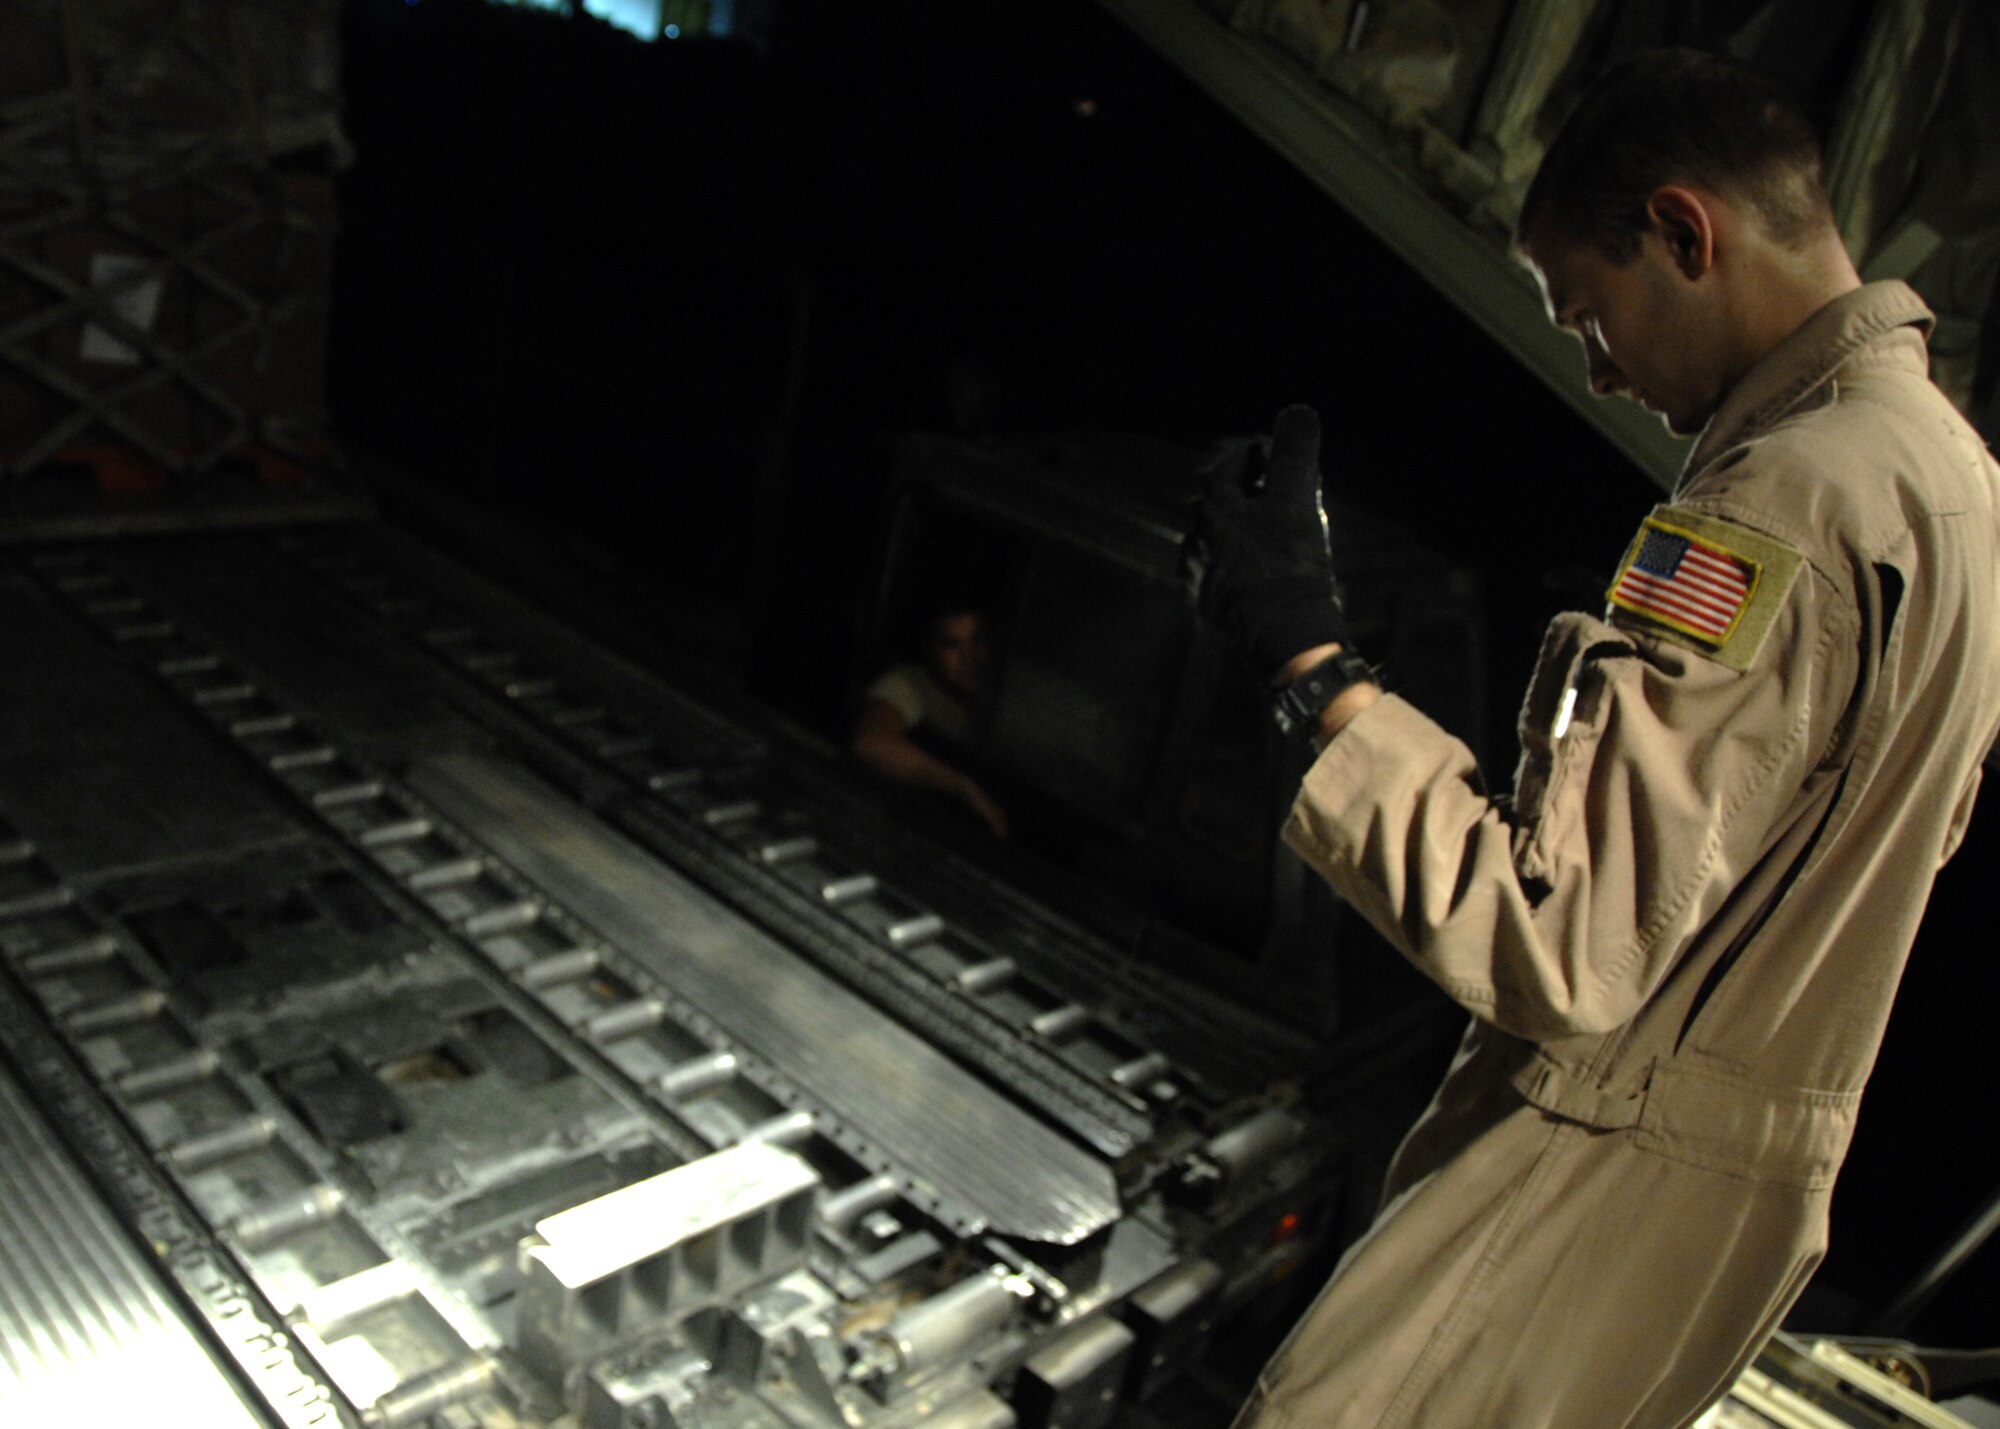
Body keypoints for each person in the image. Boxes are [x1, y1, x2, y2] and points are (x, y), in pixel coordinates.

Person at [1185, 48, 2000, 1429]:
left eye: (1587, 313)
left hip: (1584, 1185)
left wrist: (1306, 660)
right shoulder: (1954, 483)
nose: (1600, 371)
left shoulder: (1783, 503)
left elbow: (1561, 942)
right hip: (1717, 1216)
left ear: (1684, 233)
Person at [851, 599, 1010, 837]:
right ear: (930, 649)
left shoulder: (1021, 686)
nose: (969, 658)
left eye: (979, 640)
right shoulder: (912, 683)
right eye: (952, 645)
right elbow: (871, 743)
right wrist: (964, 789)